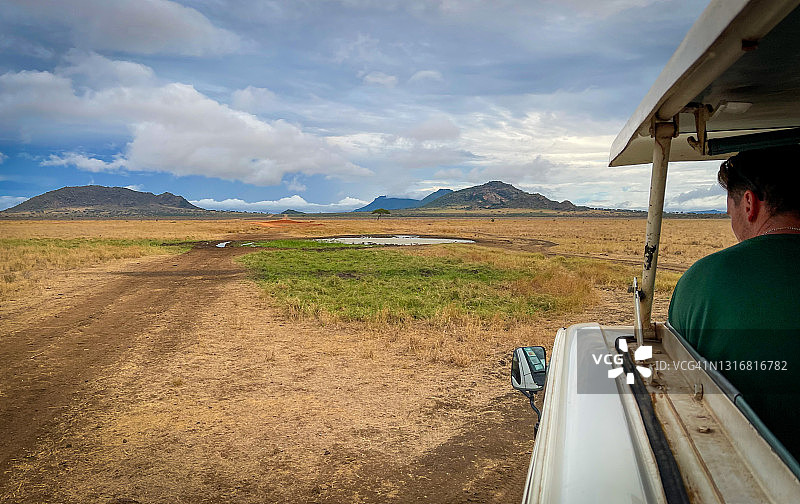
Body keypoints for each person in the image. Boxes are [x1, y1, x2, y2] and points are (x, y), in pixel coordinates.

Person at [668, 144, 800, 461]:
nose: (731, 216)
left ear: (749, 203)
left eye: (730, 206)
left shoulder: (702, 280)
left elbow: (679, 388)